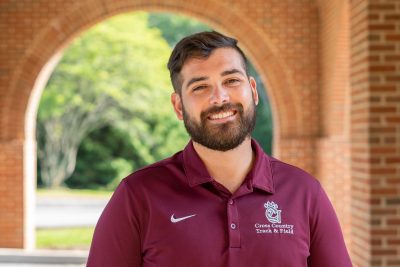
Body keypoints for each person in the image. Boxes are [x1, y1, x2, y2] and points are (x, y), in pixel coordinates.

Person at [87, 31, 352, 267]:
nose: (220, 97)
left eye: (231, 81)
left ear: (252, 91)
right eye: (201, 87)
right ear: (179, 106)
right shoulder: (137, 196)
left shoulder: (305, 192)